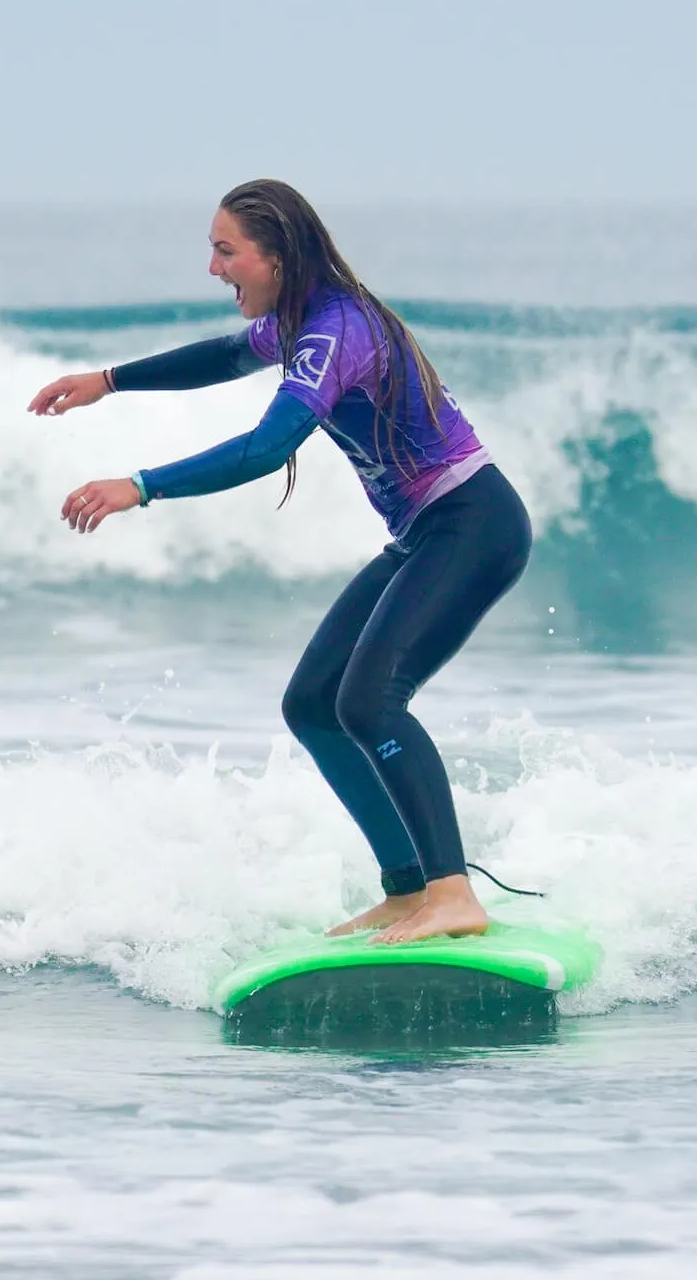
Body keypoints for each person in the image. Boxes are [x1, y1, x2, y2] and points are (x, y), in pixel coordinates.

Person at [29, 180, 533, 944]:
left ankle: (451, 890)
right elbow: (224, 357)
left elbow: (268, 448)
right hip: (425, 531)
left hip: (472, 522)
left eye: (225, 250)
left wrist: (139, 486)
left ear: (276, 256)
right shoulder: (301, 321)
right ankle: (408, 890)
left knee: (371, 701)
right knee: (314, 705)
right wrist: (109, 380)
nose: (212, 267)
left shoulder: (335, 332)